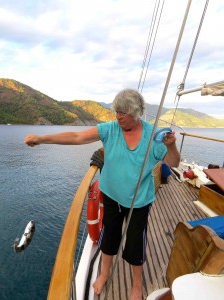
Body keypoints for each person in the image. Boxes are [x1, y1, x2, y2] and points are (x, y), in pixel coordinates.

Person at [25, 88, 180, 300]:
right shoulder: (111, 129)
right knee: (109, 237)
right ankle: (105, 273)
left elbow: (173, 163)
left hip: (139, 201)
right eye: (116, 111)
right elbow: (78, 136)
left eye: (123, 113)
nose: (118, 117)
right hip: (112, 197)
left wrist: (172, 148)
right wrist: (43, 139)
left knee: (135, 243)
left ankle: (136, 285)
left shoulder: (153, 137)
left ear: (136, 114)